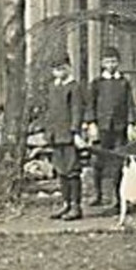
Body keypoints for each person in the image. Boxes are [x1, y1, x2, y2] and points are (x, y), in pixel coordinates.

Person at [85, 47, 134, 208]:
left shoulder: (124, 82)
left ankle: (118, 197)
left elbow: (130, 105)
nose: (110, 64)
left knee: (119, 161)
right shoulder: (97, 83)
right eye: (107, 61)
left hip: (119, 127)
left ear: (118, 63)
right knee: (98, 160)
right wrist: (91, 124)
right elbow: (90, 105)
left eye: (113, 61)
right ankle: (97, 194)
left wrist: (131, 124)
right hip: (102, 127)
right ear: (102, 63)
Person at [43, 56, 84, 221]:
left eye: (62, 68)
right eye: (55, 69)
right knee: (61, 171)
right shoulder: (52, 87)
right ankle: (65, 203)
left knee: (72, 170)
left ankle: (76, 206)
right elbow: (51, 112)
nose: (59, 72)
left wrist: (75, 132)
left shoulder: (74, 87)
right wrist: (48, 132)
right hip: (56, 135)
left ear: (69, 68)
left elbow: (76, 111)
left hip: (68, 135)